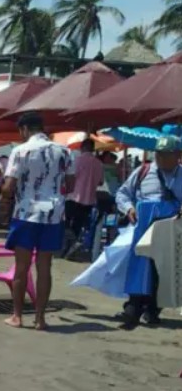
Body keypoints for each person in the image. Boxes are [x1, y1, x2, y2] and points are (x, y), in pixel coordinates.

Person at [2, 112, 74, 330]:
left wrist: (5, 193)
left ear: (24, 129)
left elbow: (9, 187)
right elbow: (70, 185)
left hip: (26, 213)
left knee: (21, 267)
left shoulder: (20, 151)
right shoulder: (65, 151)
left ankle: (17, 316)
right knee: (45, 268)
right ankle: (40, 318)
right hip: (53, 215)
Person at [114, 136, 182, 329]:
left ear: (178, 155)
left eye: (167, 155)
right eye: (159, 154)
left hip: (171, 229)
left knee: (163, 269)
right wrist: (129, 209)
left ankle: (153, 309)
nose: (161, 159)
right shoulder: (143, 171)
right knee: (140, 264)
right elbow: (122, 193)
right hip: (142, 225)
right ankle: (133, 306)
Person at [66, 138, 104, 240]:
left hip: (73, 197)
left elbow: (71, 176)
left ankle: (64, 245)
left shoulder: (77, 160)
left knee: (66, 223)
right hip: (89, 199)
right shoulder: (99, 164)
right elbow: (101, 182)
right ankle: (71, 245)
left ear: (82, 147)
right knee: (78, 225)